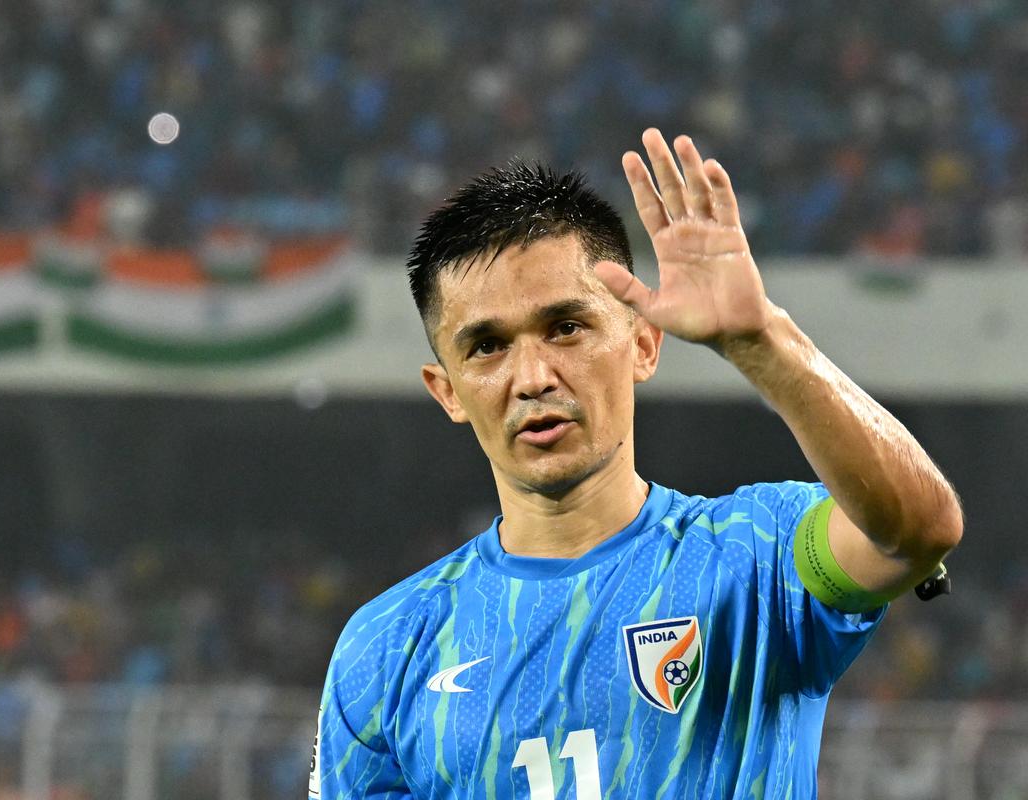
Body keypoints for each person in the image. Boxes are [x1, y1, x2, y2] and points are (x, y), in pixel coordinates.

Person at [309, 130, 962, 799]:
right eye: (486, 346)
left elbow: (918, 529)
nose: (533, 376)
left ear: (644, 345)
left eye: (566, 327)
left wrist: (760, 341)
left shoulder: (757, 553)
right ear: (446, 390)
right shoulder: (387, 648)